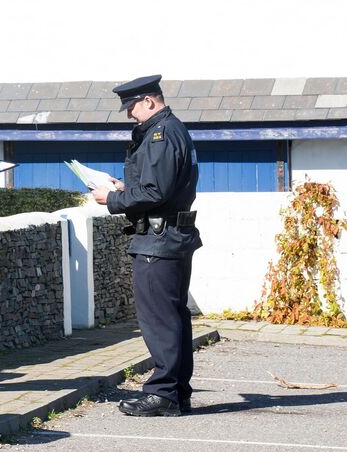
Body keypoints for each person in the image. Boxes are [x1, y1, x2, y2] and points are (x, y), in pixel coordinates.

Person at [92, 75, 202, 417]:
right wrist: (127, 189)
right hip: (170, 236)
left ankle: (163, 393)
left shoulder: (160, 133)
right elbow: (163, 185)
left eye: (132, 107)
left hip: (159, 239)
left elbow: (156, 192)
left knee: (159, 320)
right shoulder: (172, 130)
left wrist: (113, 199)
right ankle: (176, 392)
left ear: (150, 101)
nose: (129, 114)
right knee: (173, 317)